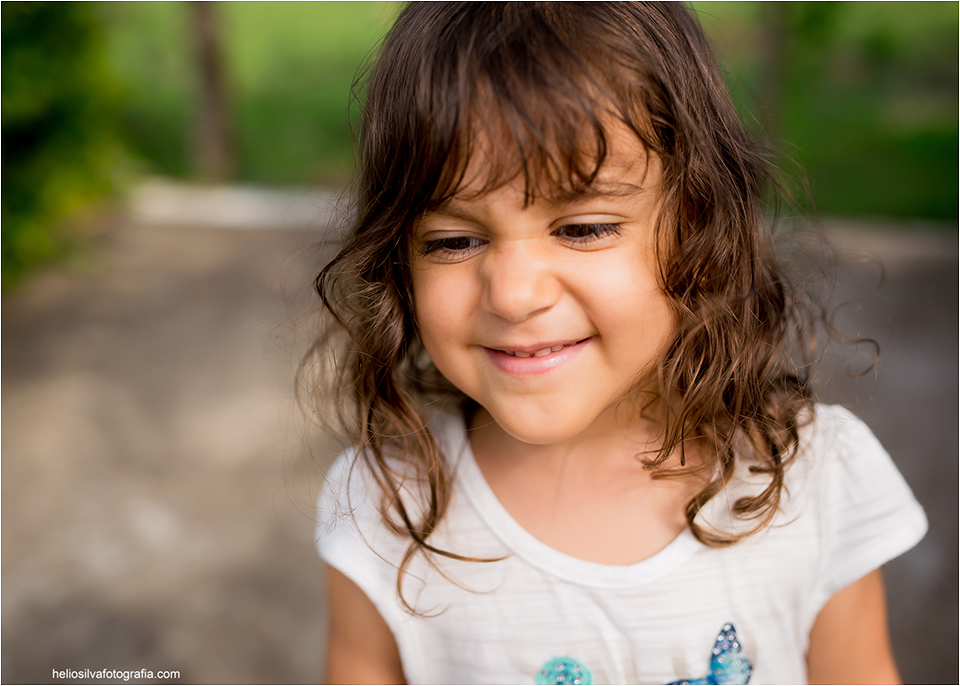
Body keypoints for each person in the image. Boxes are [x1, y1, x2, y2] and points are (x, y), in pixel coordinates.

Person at [308, 3, 927, 684]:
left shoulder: (813, 480)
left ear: (698, 228)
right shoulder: (383, 509)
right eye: (454, 240)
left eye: (582, 228)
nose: (513, 294)